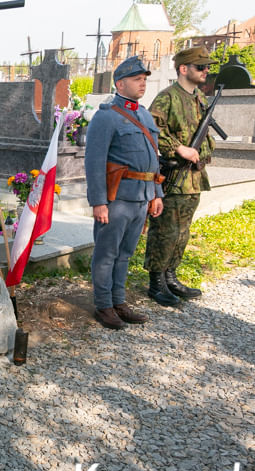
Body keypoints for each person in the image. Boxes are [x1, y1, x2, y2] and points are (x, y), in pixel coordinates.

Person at [85, 56, 164, 329]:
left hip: (141, 198)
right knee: (106, 253)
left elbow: (154, 158)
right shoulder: (106, 117)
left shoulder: (144, 114)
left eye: (144, 79)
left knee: (126, 253)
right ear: (120, 83)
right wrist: (99, 202)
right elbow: (94, 162)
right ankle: (104, 305)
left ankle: (119, 301)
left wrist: (156, 193)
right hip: (116, 199)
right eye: (136, 79)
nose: (142, 83)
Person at [144, 46, 217, 305]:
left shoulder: (200, 98)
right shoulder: (167, 97)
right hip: (174, 176)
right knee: (165, 231)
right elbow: (151, 128)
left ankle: (171, 276)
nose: (206, 70)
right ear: (184, 69)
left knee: (182, 231)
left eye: (207, 67)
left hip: (195, 177)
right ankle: (156, 282)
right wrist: (177, 147)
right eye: (201, 67)